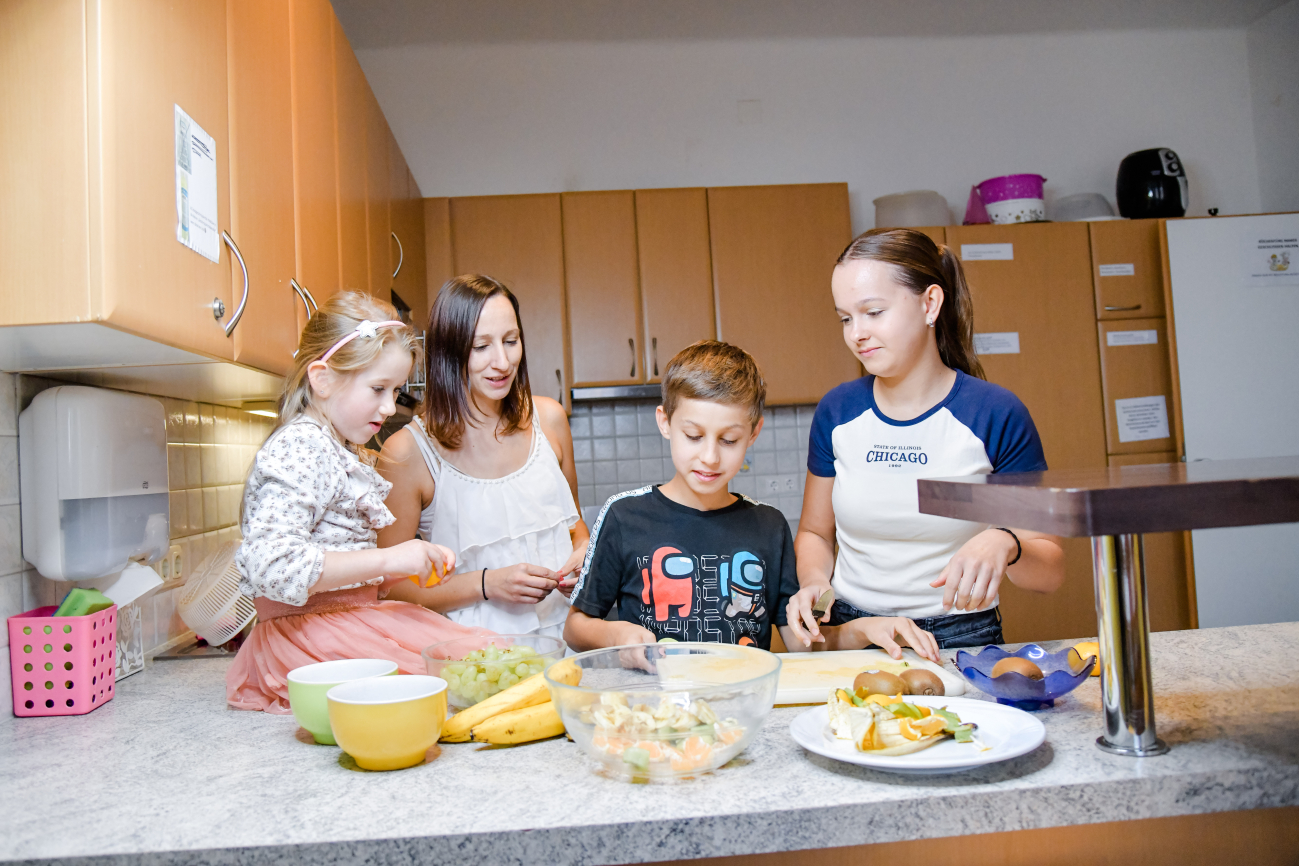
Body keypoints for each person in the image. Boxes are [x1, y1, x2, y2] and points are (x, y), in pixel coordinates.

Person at [564, 340, 937, 659]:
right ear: (665, 422)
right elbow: (575, 627)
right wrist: (618, 636)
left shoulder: (768, 526)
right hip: (656, 706)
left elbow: (803, 644)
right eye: (693, 436)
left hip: (743, 710)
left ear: (754, 433)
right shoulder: (625, 516)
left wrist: (866, 630)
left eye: (729, 441)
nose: (710, 457)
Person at [786, 228, 1066, 652]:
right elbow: (815, 533)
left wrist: (1006, 542)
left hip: (959, 636)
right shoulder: (838, 412)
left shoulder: (994, 413)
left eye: (873, 312)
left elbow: (1048, 573)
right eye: (845, 318)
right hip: (853, 634)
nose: (856, 333)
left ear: (930, 303)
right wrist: (813, 584)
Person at [226, 292, 490, 714]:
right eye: (378, 388)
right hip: (311, 636)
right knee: (465, 683)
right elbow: (273, 563)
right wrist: (389, 561)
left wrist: (401, 568)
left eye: (397, 390)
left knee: (478, 670)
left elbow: (336, 561)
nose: (389, 407)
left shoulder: (334, 446)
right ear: (323, 378)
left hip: (343, 621)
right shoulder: (302, 445)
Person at [378, 275, 588, 639]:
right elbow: (389, 588)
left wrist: (585, 553)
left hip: (565, 639)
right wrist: (487, 583)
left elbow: (574, 527)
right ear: (448, 351)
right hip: (472, 657)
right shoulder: (407, 452)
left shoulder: (550, 420)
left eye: (511, 341)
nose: (503, 362)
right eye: (481, 347)